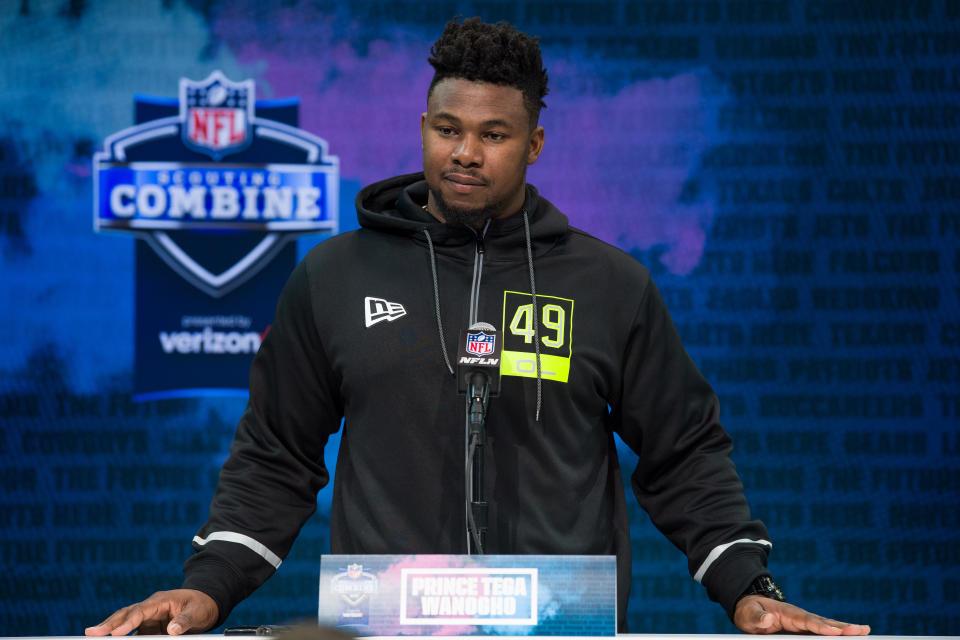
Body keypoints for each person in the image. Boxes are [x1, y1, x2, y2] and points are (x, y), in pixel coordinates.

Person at [87, 17, 870, 637]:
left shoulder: (608, 285)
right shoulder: (334, 277)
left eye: (493, 135)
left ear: (532, 144)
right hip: (384, 629)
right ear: (423, 125)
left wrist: (749, 589)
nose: (465, 153)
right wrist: (206, 589)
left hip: (562, 630)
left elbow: (684, 452)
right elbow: (277, 455)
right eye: (446, 128)